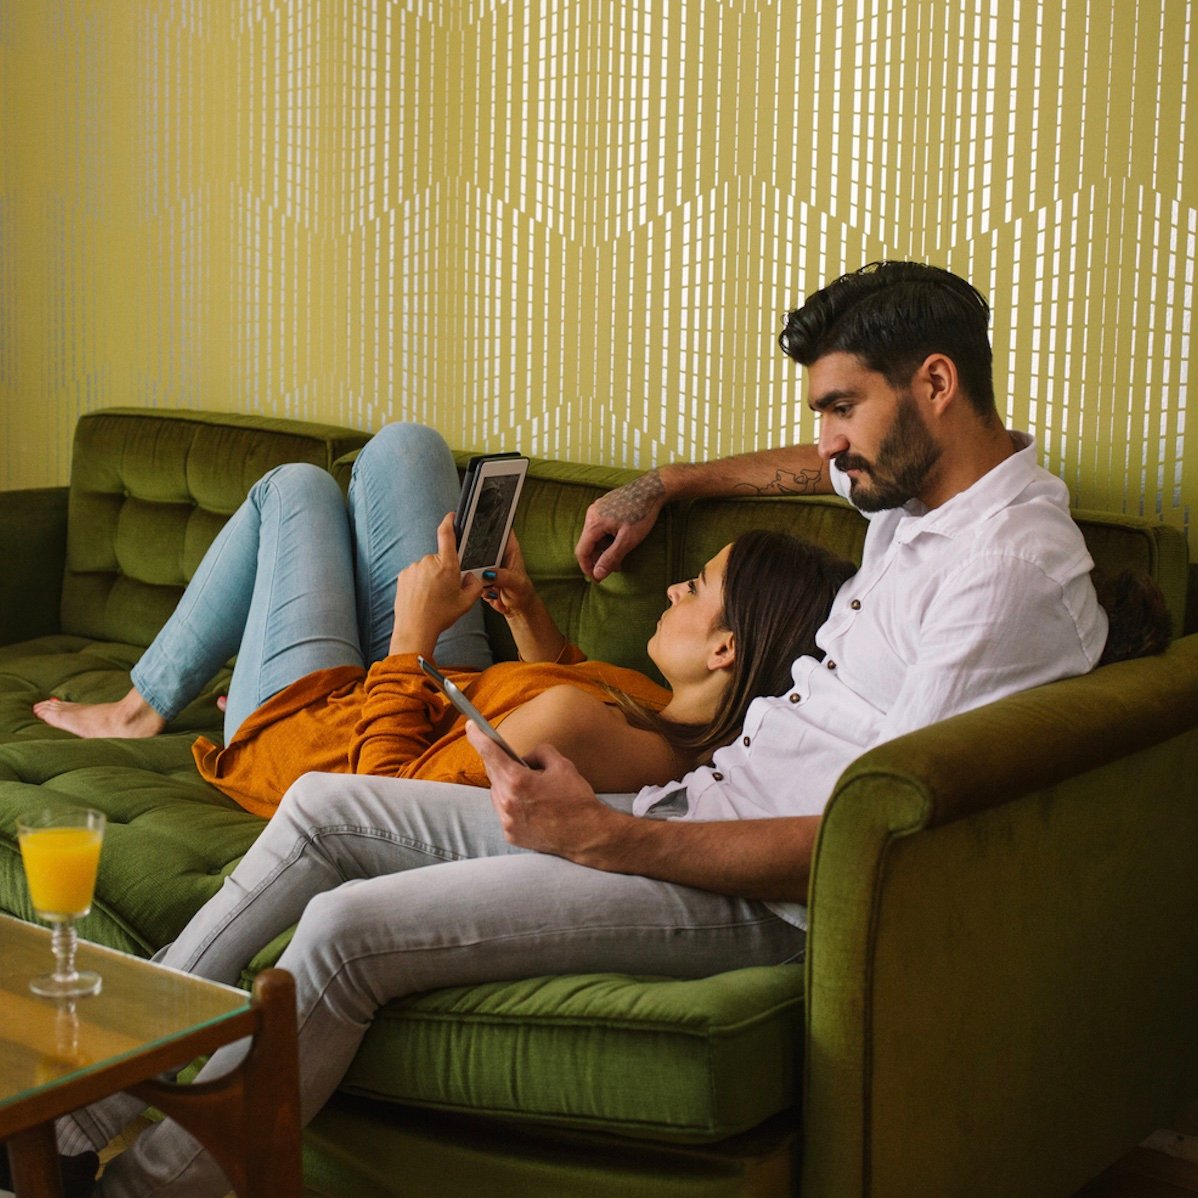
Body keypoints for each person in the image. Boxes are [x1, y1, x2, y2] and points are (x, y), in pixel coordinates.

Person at [50, 261, 1113, 1197]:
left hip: (763, 899)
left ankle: (136, 1193)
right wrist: (669, 485)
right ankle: (68, 1117)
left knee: (348, 932)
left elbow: (876, 841)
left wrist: (610, 836)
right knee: (327, 807)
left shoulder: (1004, 574)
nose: (829, 447)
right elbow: (810, 466)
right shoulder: (919, 489)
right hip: (689, 814)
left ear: (934, 383)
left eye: (842, 409)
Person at [32, 423, 855, 808]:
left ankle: (140, 709)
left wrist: (412, 635)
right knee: (404, 449)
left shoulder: (611, 733)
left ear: (725, 650)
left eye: (696, 590)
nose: (674, 588)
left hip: (317, 740)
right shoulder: (658, 714)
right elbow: (571, 677)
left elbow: (378, 799)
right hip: (435, 688)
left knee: (295, 488)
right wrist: (525, 607)